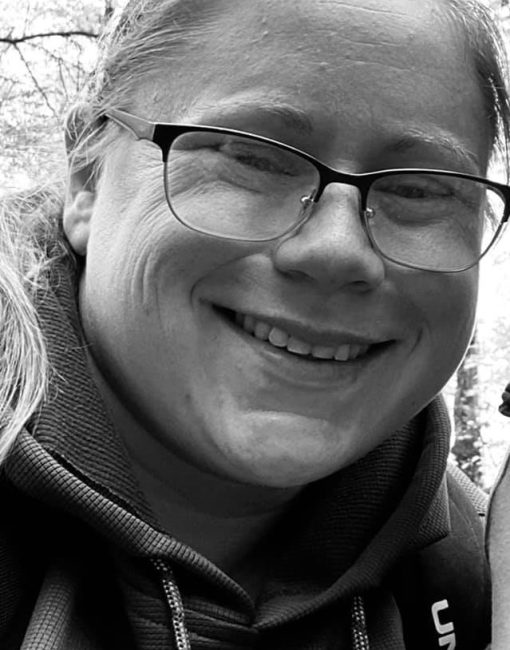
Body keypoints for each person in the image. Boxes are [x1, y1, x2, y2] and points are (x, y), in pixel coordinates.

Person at [1, 0, 509, 648]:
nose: (336, 250)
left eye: (419, 189)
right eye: (253, 158)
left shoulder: (473, 580)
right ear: (88, 178)